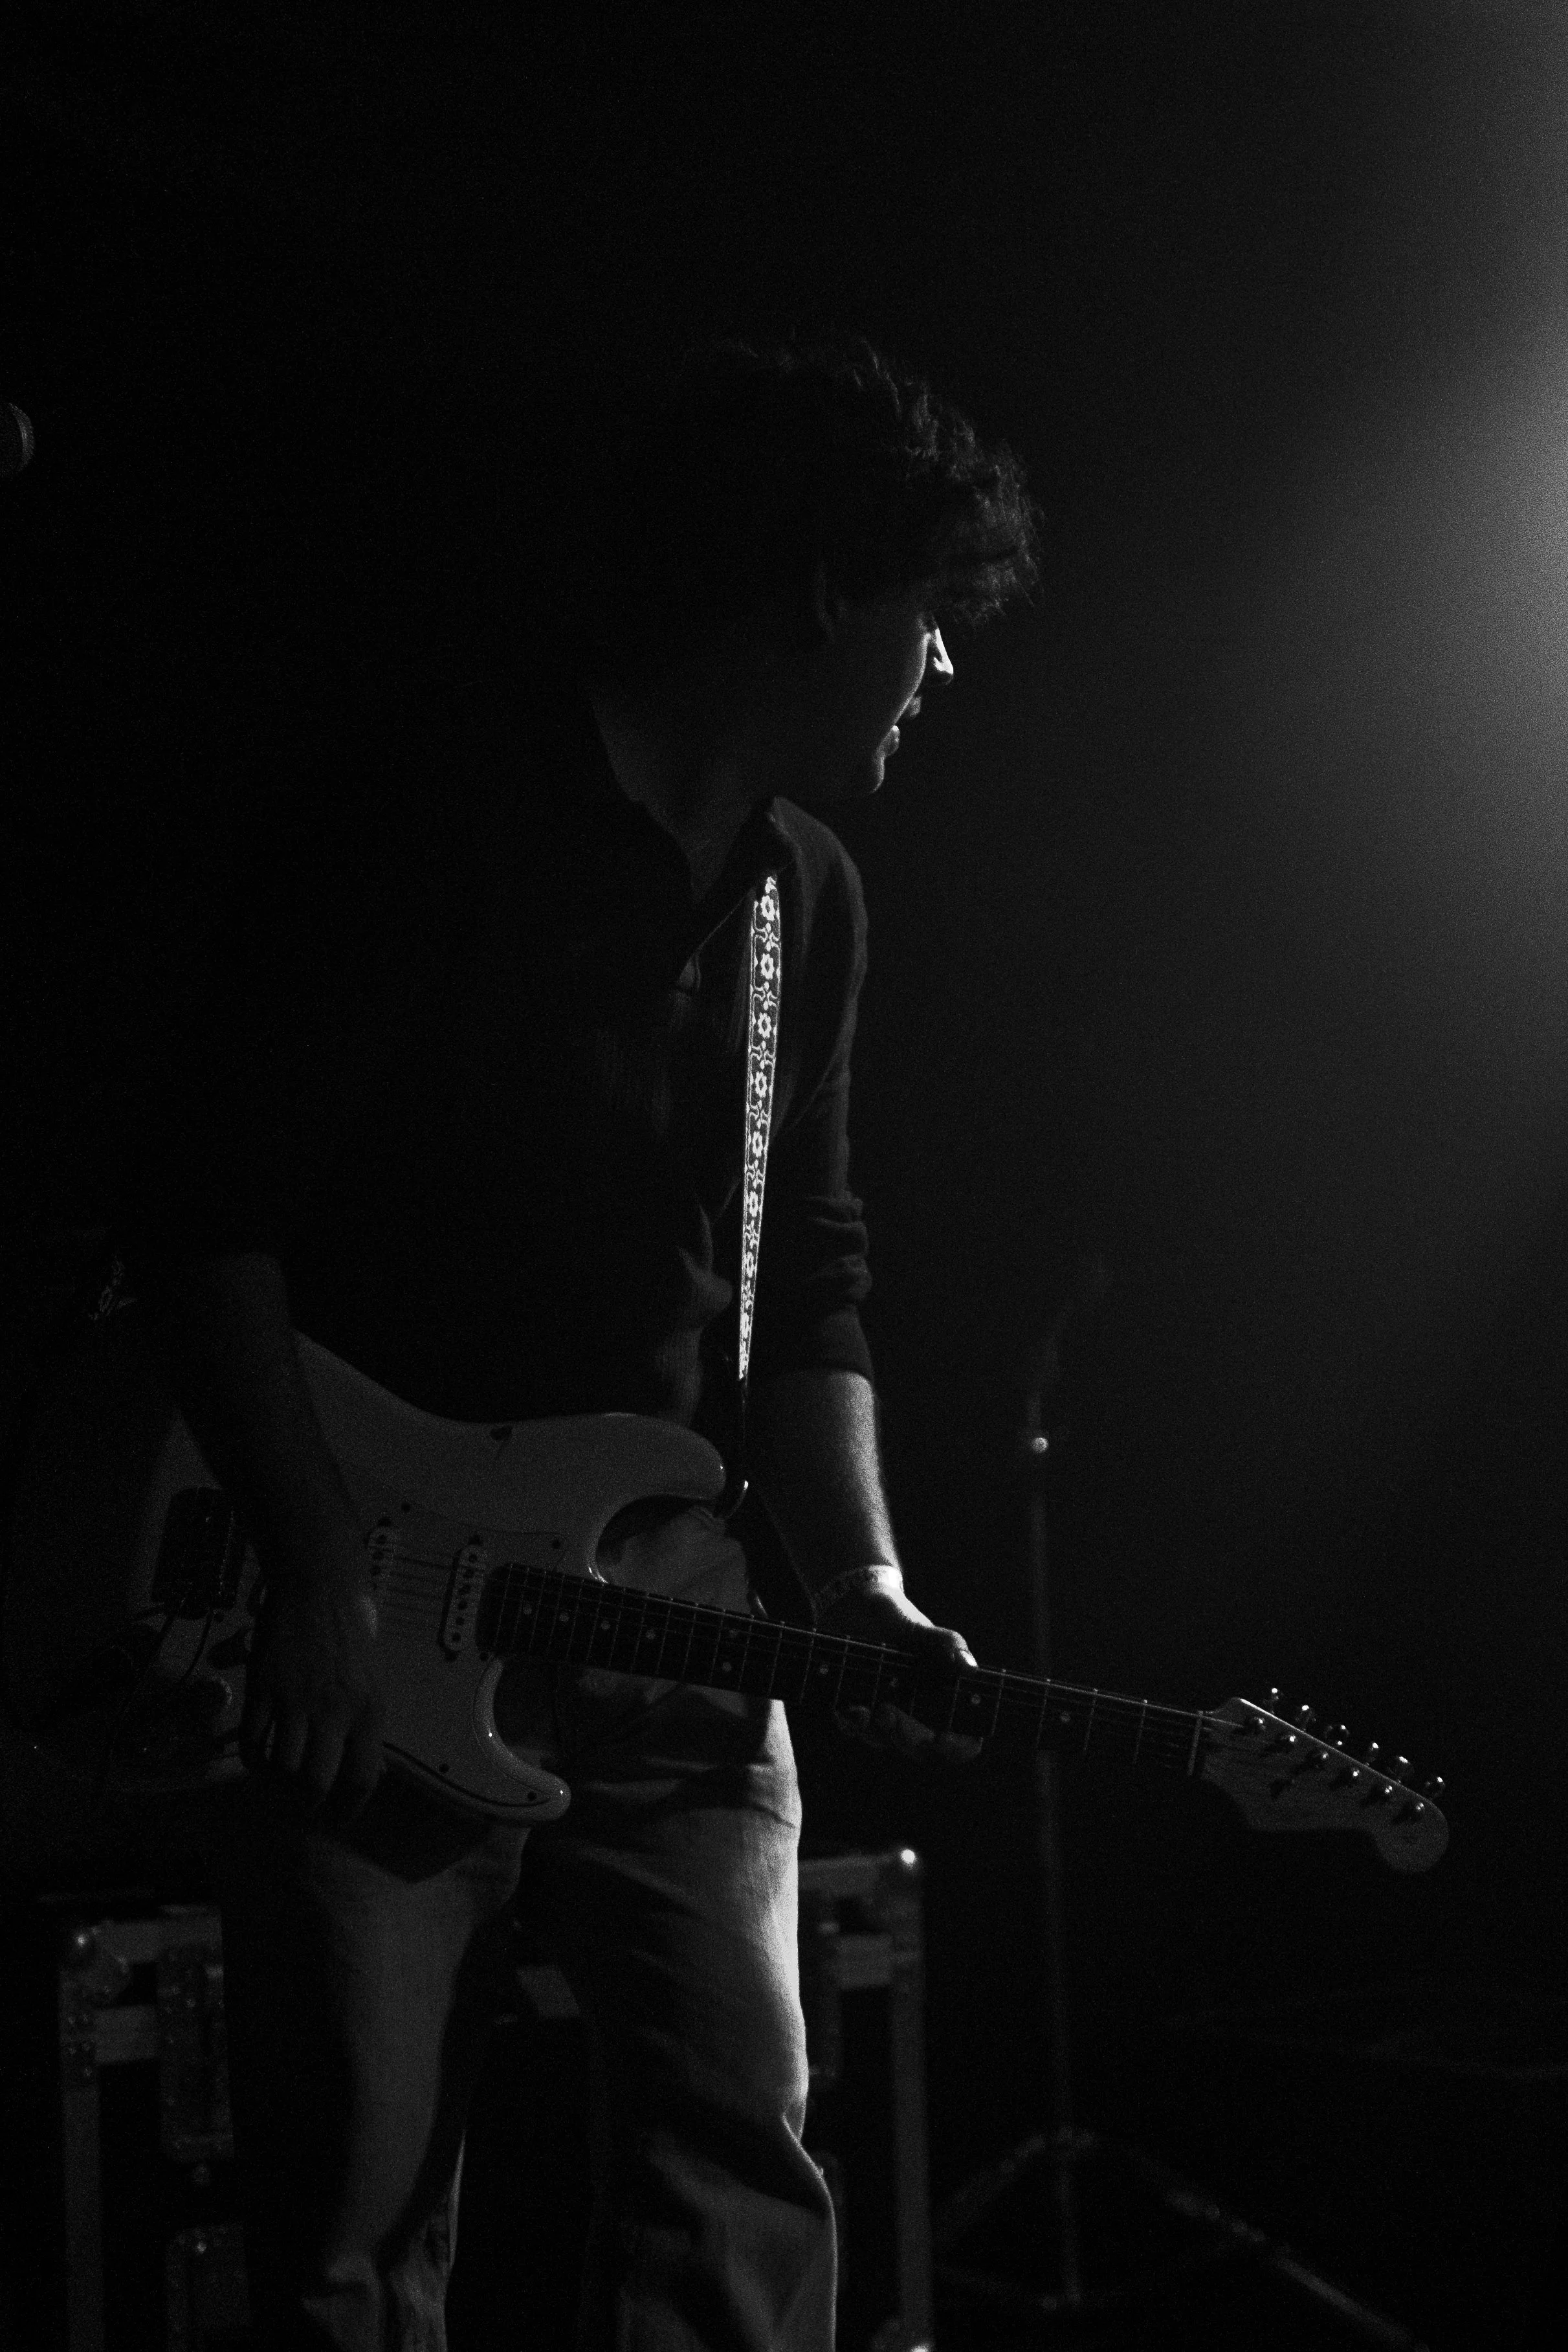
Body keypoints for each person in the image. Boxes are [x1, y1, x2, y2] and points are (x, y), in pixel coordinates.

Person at [125, 335, 1039, 2351]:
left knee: (742, 2186)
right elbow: (207, 1222)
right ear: (817, 591)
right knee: (357, 2238)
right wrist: (305, 1579)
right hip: (373, 1591)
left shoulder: (812, 899)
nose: (939, 670)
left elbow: (810, 1273)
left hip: (678, 1610)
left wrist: (864, 1582)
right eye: (923, 617)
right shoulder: (435, 818)